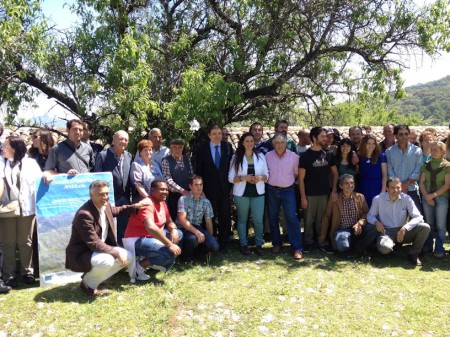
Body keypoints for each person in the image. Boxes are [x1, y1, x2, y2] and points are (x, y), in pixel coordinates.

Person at [66, 180, 148, 296]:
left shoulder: (106, 205)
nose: (105, 197)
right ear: (91, 195)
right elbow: (93, 243)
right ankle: (88, 285)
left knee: (128, 256)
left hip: (97, 250)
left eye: (107, 194)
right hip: (83, 253)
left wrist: (135, 206)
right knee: (108, 260)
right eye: (101, 194)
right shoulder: (84, 215)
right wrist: (115, 252)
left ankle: (92, 279)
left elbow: (118, 210)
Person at [0, 136, 42, 287]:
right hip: (7, 208)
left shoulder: (30, 163)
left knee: (26, 242)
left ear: (14, 148)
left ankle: (27, 273)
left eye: (5, 146)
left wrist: (48, 176)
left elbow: (39, 181)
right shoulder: (1, 162)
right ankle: (9, 275)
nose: (2, 148)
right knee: (8, 243)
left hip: (27, 208)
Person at [363, 177, 430, 266]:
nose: (395, 190)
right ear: (387, 188)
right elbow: (370, 216)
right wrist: (376, 222)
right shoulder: (378, 199)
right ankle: (391, 249)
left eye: (398, 187)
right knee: (384, 249)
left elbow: (418, 217)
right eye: (392, 187)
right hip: (386, 231)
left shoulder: (406, 198)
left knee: (425, 227)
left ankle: (414, 254)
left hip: (403, 231)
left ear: (401, 188)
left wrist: (405, 227)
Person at [124, 180, 183, 275]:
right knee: (168, 254)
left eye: (167, 190)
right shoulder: (147, 203)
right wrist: (169, 245)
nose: (165, 192)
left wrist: (174, 229)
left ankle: (157, 262)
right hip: (137, 239)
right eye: (162, 189)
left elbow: (169, 221)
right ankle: (139, 266)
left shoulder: (161, 202)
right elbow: (150, 227)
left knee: (179, 234)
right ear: (152, 190)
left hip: (151, 237)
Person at [195, 124, 234, 252]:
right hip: (208, 190)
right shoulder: (202, 149)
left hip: (225, 189)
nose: (217, 136)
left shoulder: (227, 147)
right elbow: (198, 171)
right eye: (214, 133)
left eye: (219, 133)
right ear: (209, 135)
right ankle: (211, 242)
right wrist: (201, 190)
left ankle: (224, 244)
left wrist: (232, 187)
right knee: (209, 217)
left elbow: (232, 168)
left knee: (225, 216)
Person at [299, 127, 338, 253]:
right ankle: (308, 242)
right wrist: (303, 197)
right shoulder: (305, 156)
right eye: (322, 136)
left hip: (324, 194)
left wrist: (333, 190)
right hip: (309, 194)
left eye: (325, 136)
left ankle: (322, 241)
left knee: (322, 220)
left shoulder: (328, 154)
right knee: (309, 220)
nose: (325, 139)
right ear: (314, 138)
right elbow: (301, 179)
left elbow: (335, 174)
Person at [228, 132, 269, 256]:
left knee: (258, 220)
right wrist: (243, 178)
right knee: (242, 219)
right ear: (242, 143)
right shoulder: (236, 158)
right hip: (241, 193)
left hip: (258, 192)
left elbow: (267, 175)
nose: (250, 143)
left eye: (252, 141)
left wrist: (260, 178)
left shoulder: (261, 156)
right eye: (247, 141)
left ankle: (258, 244)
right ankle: (243, 244)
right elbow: (230, 178)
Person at [266, 133, 303, 260]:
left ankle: (297, 248)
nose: (279, 145)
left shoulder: (294, 157)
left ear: (286, 144)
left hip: (288, 191)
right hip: (271, 190)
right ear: (273, 144)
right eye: (277, 143)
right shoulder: (267, 156)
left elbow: (296, 174)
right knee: (273, 217)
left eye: (282, 143)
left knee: (292, 217)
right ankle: (277, 244)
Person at [94, 130, 132, 246]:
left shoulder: (129, 156)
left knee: (122, 227)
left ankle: (122, 251)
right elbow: (98, 177)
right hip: (108, 198)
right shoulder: (103, 155)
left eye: (126, 140)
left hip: (124, 198)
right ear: (113, 140)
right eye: (121, 139)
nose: (123, 142)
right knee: (108, 225)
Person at [318, 174, 369, 253]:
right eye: (347, 183)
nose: (350, 185)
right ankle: (355, 246)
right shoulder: (335, 199)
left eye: (352, 183)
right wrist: (323, 235)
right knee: (342, 246)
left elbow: (367, 213)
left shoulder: (360, 197)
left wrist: (359, 223)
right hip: (342, 230)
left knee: (371, 230)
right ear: (341, 186)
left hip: (357, 229)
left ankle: (357, 246)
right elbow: (327, 216)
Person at [419, 141, 450, 258]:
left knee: (441, 225)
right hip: (427, 197)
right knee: (429, 223)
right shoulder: (426, 165)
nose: (433, 152)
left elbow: (447, 185)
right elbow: (421, 182)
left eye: (436, 150)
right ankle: (428, 246)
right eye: (432, 150)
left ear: (443, 151)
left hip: (441, 198)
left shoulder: (447, 166)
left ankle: (439, 248)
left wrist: (433, 196)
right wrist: (427, 196)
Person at [177, 175, 219, 259]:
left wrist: (210, 237)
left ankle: (198, 253)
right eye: (196, 185)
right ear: (190, 186)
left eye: (201, 184)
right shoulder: (183, 199)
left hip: (198, 227)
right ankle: (185, 257)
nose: (199, 187)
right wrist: (197, 232)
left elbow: (208, 222)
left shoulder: (206, 202)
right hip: (184, 228)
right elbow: (182, 220)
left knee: (215, 247)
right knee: (192, 239)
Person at [385, 124, 423, 212]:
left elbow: (418, 170)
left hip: (412, 189)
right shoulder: (389, 152)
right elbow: (390, 171)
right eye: (401, 134)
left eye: (406, 134)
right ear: (396, 136)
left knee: (417, 218)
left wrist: (406, 184)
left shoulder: (417, 151)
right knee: (396, 218)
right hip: (394, 190)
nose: (404, 136)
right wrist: (399, 186)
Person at [161, 139, 194, 220]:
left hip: (188, 195)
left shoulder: (187, 159)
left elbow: (191, 175)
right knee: (175, 219)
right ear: (170, 148)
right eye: (174, 147)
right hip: (174, 196)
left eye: (180, 147)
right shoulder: (166, 161)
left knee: (188, 219)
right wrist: (181, 190)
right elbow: (167, 180)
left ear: (183, 148)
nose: (177, 150)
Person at [357, 134, 387, 208]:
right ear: (364, 144)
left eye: (373, 143)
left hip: (377, 188)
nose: (371, 146)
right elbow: (357, 173)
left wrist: (383, 191)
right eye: (369, 143)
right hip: (364, 188)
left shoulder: (381, 156)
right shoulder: (359, 157)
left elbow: (385, 174)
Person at [130, 139, 163, 203]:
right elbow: (137, 185)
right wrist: (149, 199)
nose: (148, 152)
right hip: (145, 201)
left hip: (159, 200)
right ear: (140, 152)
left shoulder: (156, 164)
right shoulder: (136, 165)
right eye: (145, 150)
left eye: (150, 150)